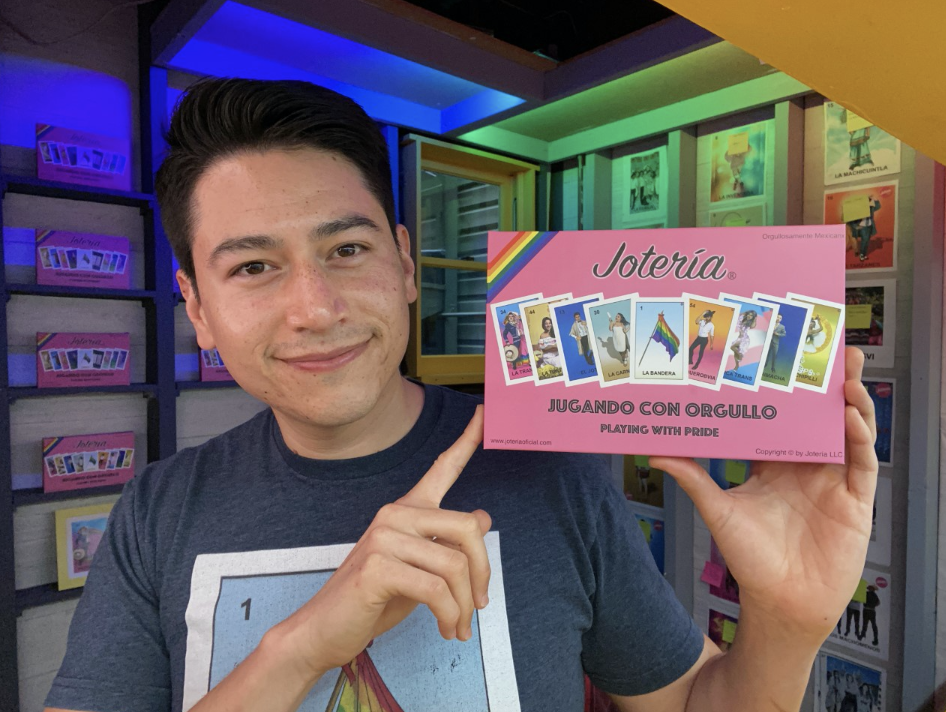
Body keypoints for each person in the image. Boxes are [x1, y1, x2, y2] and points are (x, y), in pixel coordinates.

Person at [44, 78, 879, 712]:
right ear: (198, 308)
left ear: (406, 264)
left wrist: (787, 621)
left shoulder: (551, 472)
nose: (316, 309)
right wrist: (304, 645)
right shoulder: (157, 512)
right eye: (254, 267)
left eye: (346, 249)